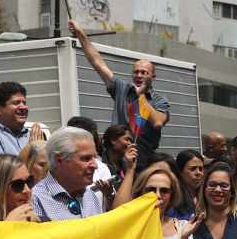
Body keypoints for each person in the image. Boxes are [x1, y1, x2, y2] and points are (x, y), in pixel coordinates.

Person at [69, 22, 171, 156]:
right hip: (116, 154)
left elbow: (157, 122)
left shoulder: (159, 101)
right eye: (136, 72)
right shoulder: (122, 89)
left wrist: (140, 97)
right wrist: (80, 34)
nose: (139, 75)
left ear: (153, 77)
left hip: (142, 154)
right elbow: (98, 63)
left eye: (144, 72)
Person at [174, 149, 206, 219]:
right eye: (192, 169)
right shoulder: (173, 199)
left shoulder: (207, 195)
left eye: (201, 169)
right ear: (180, 172)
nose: (198, 173)